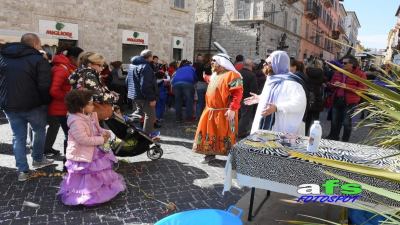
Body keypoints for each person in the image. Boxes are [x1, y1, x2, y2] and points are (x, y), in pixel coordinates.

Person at [0, 33, 54, 181]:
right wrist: (45, 102)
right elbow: (44, 85)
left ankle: (22, 171)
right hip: (34, 105)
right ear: (36, 43)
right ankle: (37, 159)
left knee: (18, 137)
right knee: (39, 130)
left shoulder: (3, 56)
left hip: (10, 104)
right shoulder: (38, 59)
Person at [58, 89, 125, 206]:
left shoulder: (92, 115)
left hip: (95, 150)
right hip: (83, 153)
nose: (93, 105)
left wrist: (106, 132)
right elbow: (83, 140)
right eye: (90, 103)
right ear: (81, 107)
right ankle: (87, 195)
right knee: (87, 175)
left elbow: (98, 129)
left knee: (99, 173)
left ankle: (101, 191)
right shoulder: (75, 121)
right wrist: (101, 139)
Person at [193, 53, 243, 164]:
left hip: (225, 112)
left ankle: (232, 158)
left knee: (226, 134)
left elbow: (237, 93)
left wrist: (232, 109)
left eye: (214, 61)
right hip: (210, 111)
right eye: (212, 60)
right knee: (209, 133)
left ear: (222, 62)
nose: (212, 62)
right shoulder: (215, 74)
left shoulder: (233, 75)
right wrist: (205, 76)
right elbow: (211, 80)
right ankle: (209, 155)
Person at [245, 51, 307, 135]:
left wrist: (277, 107)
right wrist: (260, 98)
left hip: (279, 129)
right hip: (263, 125)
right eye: (265, 62)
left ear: (278, 64)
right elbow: (273, 97)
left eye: (269, 63)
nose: (264, 65)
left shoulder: (292, 83)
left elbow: (300, 103)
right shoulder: (271, 79)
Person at [45, 46, 83, 157]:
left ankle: (48, 149)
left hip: (62, 106)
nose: (81, 62)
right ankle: (69, 161)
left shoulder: (67, 67)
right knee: (69, 135)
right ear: (72, 58)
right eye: (80, 59)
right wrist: (71, 97)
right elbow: (54, 90)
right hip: (60, 107)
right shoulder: (62, 69)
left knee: (57, 129)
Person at [327, 55, 367, 142]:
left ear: (352, 64)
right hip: (337, 99)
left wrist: (346, 86)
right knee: (335, 121)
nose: (342, 64)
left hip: (350, 102)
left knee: (346, 122)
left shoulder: (360, 74)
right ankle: (333, 138)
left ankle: (345, 141)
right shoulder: (338, 72)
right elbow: (330, 84)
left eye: (345, 63)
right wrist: (333, 85)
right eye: (342, 63)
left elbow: (363, 89)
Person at [69, 52, 119, 121]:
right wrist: (114, 97)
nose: (102, 68)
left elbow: (93, 91)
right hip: (91, 114)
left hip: (82, 111)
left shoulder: (80, 72)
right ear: (90, 64)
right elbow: (98, 95)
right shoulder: (89, 75)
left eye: (103, 65)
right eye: (100, 65)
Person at [126, 50, 158, 137]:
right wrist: (151, 98)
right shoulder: (145, 67)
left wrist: (131, 92)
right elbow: (145, 85)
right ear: (150, 57)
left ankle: (129, 127)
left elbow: (127, 80)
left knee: (139, 112)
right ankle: (146, 136)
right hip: (144, 96)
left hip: (134, 94)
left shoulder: (132, 65)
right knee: (150, 115)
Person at [238, 59, 258, 138]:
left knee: (237, 116)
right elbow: (254, 89)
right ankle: (240, 132)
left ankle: (234, 131)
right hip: (247, 98)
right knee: (245, 116)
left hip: (237, 97)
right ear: (250, 65)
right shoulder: (251, 75)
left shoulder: (238, 73)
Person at [304, 59, 325, 135]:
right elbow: (323, 81)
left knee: (307, 118)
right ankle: (315, 133)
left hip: (308, 95)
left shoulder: (306, 71)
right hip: (317, 96)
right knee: (316, 118)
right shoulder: (321, 72)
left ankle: (305, 133)